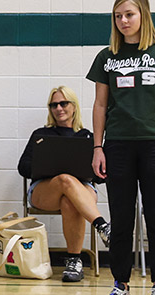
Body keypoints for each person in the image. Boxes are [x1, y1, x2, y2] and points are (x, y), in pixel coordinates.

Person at [87, 0, 155, 295]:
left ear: (143, 14)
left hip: (153, 144)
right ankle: (121, 288)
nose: (123, 21)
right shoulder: (107, 56)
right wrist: (97, 146)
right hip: (117, 145)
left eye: (129, 14)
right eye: (118, 16)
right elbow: (100, 104)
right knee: (122, 217)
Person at [17, 86, 111, 283]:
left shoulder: (87, 136)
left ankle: (74, 263)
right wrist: (46, 166)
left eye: (63, 103)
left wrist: (89, 169)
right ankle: (102, 226)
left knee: (70, 200)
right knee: (65, 179)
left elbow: (102, 176)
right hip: (45, 190)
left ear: (74, 106)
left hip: (82, 190)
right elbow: (23, 168)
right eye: (54, 105)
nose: (58, 108)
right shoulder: (41, 134)